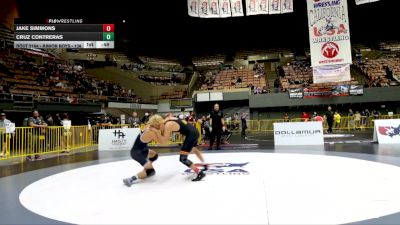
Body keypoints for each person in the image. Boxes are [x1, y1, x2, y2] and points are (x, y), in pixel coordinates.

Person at [149, 114, 207, 182]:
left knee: (183, 159)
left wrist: (156, 132)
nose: (157, 128)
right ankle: (205, 164)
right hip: (194, 132)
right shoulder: (169, 119)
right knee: (194, 149)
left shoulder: (168, 125)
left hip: (191, 135)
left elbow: (164, 141)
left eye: (155, 126)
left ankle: (200, 173)